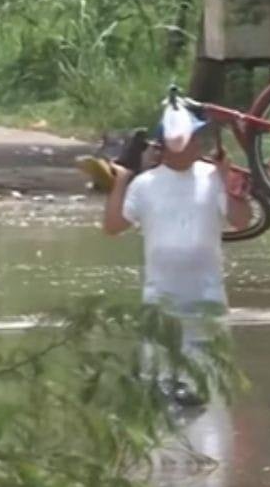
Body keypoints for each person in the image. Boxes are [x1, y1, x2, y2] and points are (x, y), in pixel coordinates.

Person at [92, 104, 252, 406]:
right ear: (166, 147)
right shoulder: (144, 184)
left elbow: (242, 220)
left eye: (198, 138)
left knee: (207, 383)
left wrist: (229, 184)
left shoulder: (213, 176)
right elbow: (113, 226)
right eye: (192, 139)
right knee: (162, 384)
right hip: (161, 298)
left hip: (207, 296)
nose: (198, 144)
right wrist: (121, 181)